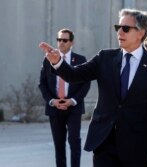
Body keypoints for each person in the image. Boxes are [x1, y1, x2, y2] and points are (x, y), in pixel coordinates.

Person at [39, 8, 147, 167]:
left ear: (141, 33)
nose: (120, 32)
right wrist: (58, 62)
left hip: (139, 147)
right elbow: (75, 75)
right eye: (118, 28)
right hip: (104, 143)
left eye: (126, 28)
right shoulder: (105, 58)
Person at [39, 28, 90, 167]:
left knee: (74, 141)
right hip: (55, 107)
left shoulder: (80, 59)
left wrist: (72, 101)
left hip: (74, 106)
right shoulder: (48, 59)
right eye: (59, 40)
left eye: (64, 40)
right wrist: (52, 101)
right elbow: (42, 83)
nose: (61, 42)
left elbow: (85, 85)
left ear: (71, 42)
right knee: (59, 144)